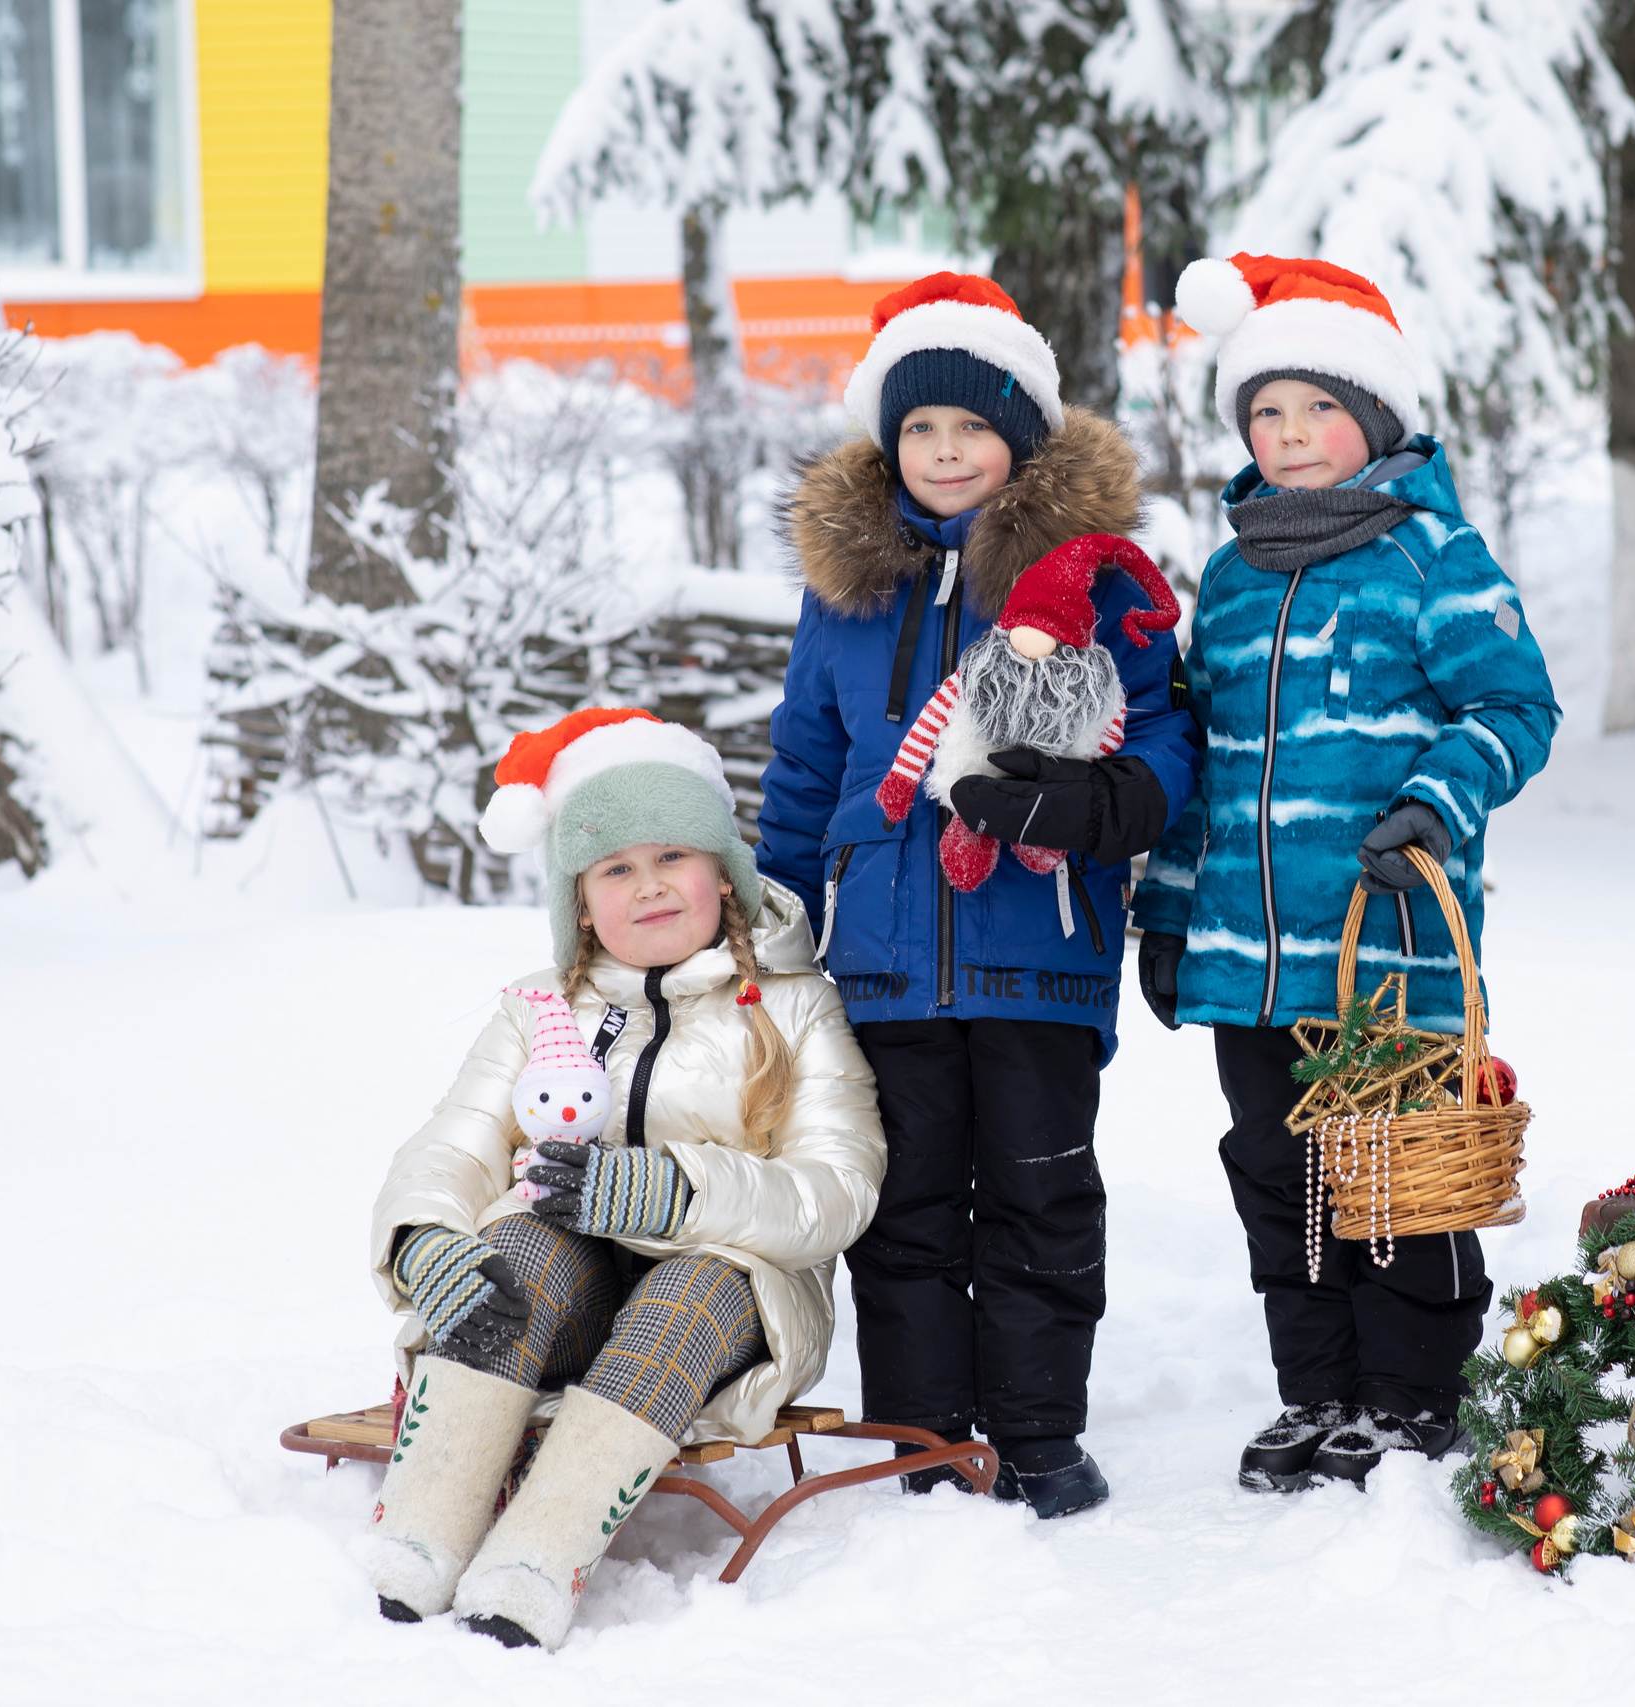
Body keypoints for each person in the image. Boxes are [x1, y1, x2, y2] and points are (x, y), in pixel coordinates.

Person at [758, 273, 1199, 1519]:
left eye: (971, 428)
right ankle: (919, 1438)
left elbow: (1165, 731)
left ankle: (1038, 1431)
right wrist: (781, 915)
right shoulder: (848, 588)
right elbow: (803, 764)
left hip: (1041, 945)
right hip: (883, 957)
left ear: (1022, 436)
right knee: (902, 1205)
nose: (946, 452)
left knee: (1039, 1190)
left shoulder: (1098, 576)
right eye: (920, 431)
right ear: (889, 444)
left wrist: (1110, 809)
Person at [1131, 254, 1562, 1494]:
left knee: (1392, 1173)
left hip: (1384, 942)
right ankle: (1315, 1390)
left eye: (1315, 408)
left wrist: (1431, 801)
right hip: (1247, 955)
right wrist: (1167, 917)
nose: (1289, 434)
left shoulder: (1435, 555)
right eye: (1264, 413)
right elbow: (1201, 762)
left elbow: (1513, 708)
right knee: (1278, 1175)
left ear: (1371, 418)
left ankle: (1413, 1396)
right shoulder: (1226, 575)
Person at [355, 707, 884, 1649]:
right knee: (511, 1244)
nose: (648, 887)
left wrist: (678, 1189)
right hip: (574, 1300)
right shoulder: (538, 1010)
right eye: (615, 868)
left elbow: (839, 1185)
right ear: (581, 902)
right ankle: (424, 1527)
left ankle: (537, 1555)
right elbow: (453, 1144)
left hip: (736, 1300)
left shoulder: (798, 1006)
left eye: (672, 855)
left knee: (688, 1284)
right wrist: (423, 1238)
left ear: (724, 873)